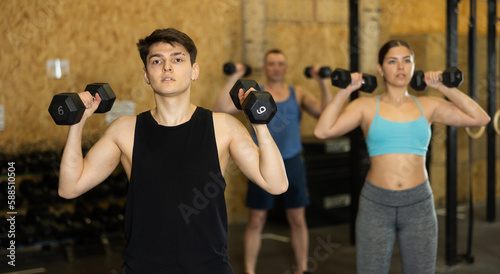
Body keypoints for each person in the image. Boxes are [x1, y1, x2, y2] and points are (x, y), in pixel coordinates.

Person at [57, 28, 289, 274]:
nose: (167, 67)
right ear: (147, 75)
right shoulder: (125, 130)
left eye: (177, 59)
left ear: (194, 71)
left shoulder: (223, 127)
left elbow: (276, 184)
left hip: (209, 268)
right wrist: (76, 125)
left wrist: (259, 124)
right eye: (157, 61)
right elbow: (70, 187)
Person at [314, 40, 490, 274]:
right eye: (392, 61)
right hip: (376, 204)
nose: (401, 67)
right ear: (380, 68)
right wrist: (345, 91)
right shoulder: (365, 106)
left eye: (407, 60)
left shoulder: (428, 105)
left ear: (414, 66)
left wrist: (445, 88)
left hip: (418, 204)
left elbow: (480, 118)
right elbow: (322, 131)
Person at [214, 49, 333, 274]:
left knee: (297, 218)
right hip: (261, 163)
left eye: (280, 63)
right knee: (257, 219)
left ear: (285, 67)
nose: (276, 67)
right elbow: (220, 109)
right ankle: (250, 271)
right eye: (271, 63)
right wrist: (233, 77)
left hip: (293, 161)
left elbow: (324, 113)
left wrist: (323, 83)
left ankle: (302, 269)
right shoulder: (251, 94)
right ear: (265, 67)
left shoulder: (297, 93)